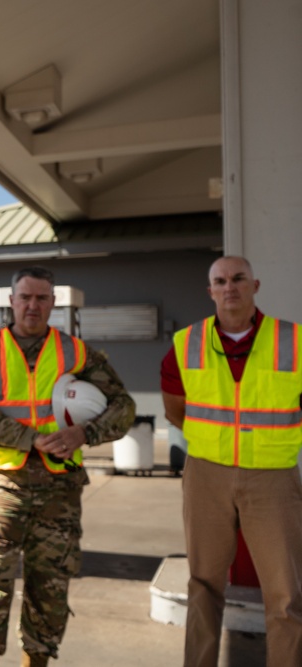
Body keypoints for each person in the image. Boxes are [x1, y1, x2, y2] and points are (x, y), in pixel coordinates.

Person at [0, 266, 135, 667]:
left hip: (59, 488)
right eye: (25, 297)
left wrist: (82, 434)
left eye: (42, 298)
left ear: (53, 302)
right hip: (2, 484)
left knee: (49, 586)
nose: (32, 305)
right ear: (11, 301)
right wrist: (29, 439)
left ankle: (35, 662)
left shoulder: (78, 353)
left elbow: (124, 406)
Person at [160, 255, 302, 667]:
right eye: (220, 281)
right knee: (203, 585)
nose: (230, 287)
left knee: (286, 595)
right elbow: (175, 409)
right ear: (210, 291)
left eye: (239, 279)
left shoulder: (293, 340)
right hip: (207, 474)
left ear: (255, 286)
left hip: (273, 478)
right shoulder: (186, 342)